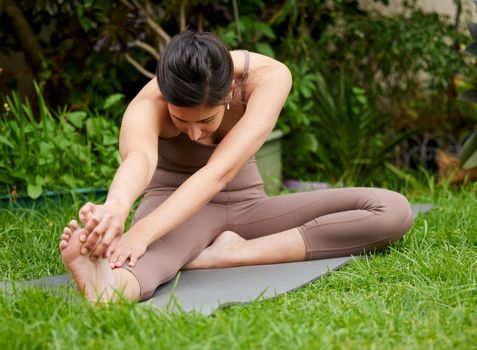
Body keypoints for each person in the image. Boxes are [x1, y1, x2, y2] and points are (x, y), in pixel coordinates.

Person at [59, 30, 414, 304]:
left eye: (207, 120)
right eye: (181, 121)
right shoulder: (147, 105)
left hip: (248, 205)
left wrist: (144, 230)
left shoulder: (270, 78)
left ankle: (234, 253)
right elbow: (140, 159)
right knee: (141, 259)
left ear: (229, 91)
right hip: (174, 205)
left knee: (392, 210)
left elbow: (219, 174)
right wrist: (118, 208)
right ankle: (107, 286)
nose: (195, 134)